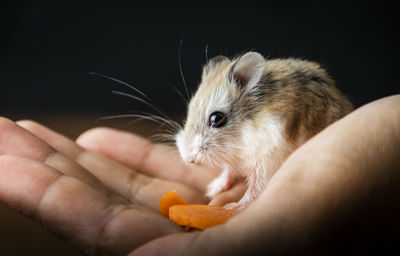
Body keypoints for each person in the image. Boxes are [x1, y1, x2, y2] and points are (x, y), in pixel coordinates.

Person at [0, 95, 399, 255]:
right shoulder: (239, 127)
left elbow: (263, 154)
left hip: (303, 125)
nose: (190, 145)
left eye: (213, 120)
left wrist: (247, 200)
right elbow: (242, 151)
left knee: (268, 143)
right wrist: (228, 175)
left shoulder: (273, 120)